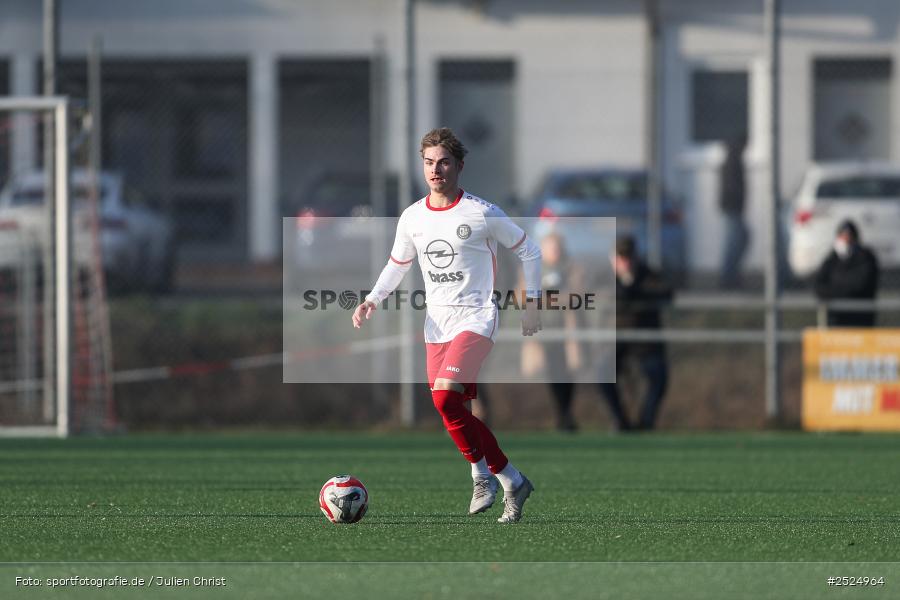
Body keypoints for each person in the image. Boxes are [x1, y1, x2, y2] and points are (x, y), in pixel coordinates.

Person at [352, 127, 542, 523]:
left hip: (477, 316)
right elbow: (397, 264)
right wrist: (372, 298)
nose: (435, 170)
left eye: (443, 162)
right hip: (437, 323)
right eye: (428, 163)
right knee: (452, 410)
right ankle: (504, 477)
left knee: (443, 398)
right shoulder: (413, 217)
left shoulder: (481, 212)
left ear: (458, 165)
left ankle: (490, 475)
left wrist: (533, 303)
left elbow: (529, 248)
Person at [598, 236, 672, 431]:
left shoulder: (648, 275)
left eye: (628, 257)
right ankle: (620, 421)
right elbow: (603, 295)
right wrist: (624, 286)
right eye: (620, 258)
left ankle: (645, 423)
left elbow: (666, 292)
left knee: (658, 376)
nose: (625, 262)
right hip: (617, 340)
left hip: (644, 341)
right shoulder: (605, 277)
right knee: (602, 373)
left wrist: (633, 288)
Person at [520, 232, 583, 431]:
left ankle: (566, 415)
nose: (553, 252)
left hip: (567, 332)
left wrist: (547, 298)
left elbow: (575, 296)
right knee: (551, 373)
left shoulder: (571, 267)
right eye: (549, 248)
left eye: (556, 248)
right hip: (542, 332)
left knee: (567, 373)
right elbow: (522, 294)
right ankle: (560, 415)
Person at [813, 220, 879, 327]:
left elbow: (858, 284)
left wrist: (834, 290)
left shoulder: (865, 257)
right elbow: (819, 285)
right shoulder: (832, 258)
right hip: (836, 319)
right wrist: (836, 293)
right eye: (842, 236)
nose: (845, 240)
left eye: (849, 236)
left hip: (860, 319)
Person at [719, 134, 749, 289]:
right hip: (733, 207)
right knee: (735, 242)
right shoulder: (733, 160)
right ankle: (728, 277)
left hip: (733, 206)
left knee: (739, 239)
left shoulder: (733, 158)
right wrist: (737, 204)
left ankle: (731, 275)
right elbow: (732, 186)